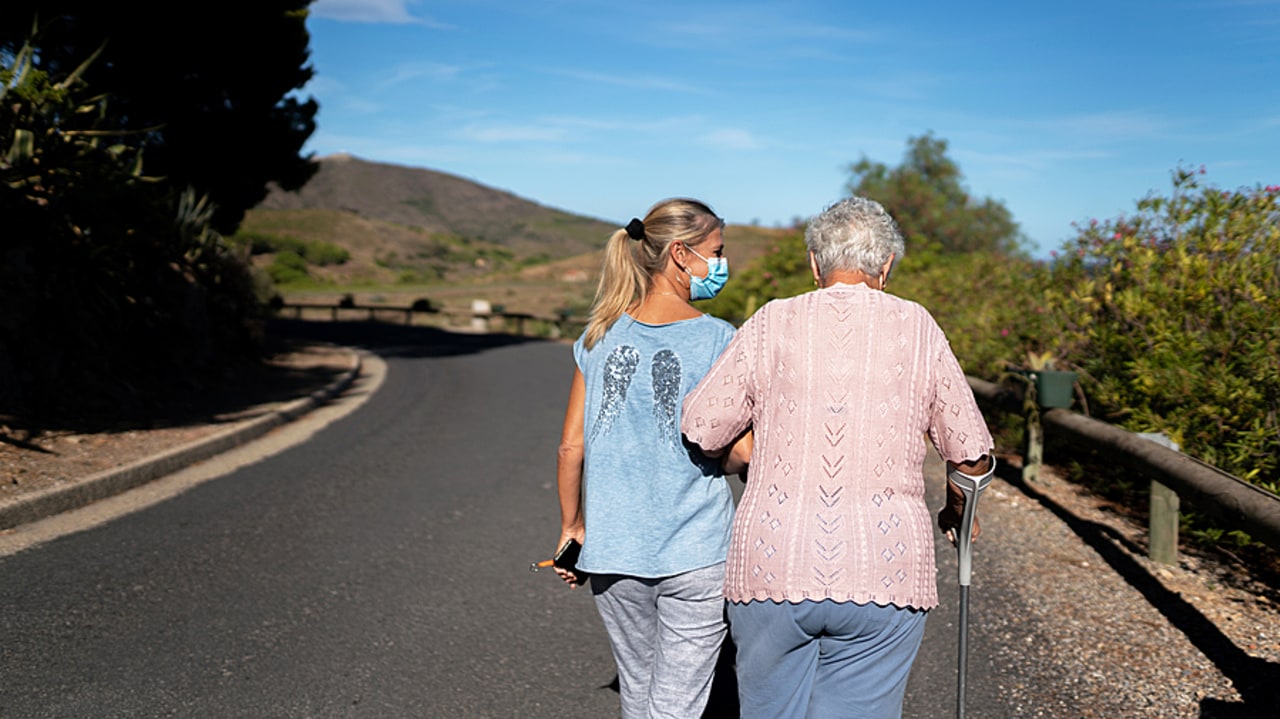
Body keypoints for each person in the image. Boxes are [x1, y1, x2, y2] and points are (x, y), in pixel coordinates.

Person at [680, 196, 995, 719]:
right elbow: (971, 458)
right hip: (886, 572)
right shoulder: (918, 327)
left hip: (773, 563)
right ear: (887, 265)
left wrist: (762, 459)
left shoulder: (771, 321)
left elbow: (703, 426)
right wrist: (958, 513)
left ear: (814, 263)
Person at [553, 197, 751, 719]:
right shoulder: (719, 340)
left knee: (639, 694)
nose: (722, 263)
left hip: (613, 551)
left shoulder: (596, 335)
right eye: (717, 251)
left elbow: (571, 445)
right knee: (679, 705)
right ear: (682, 255)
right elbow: (742, 451)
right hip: (696, 549)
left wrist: (573, 527)